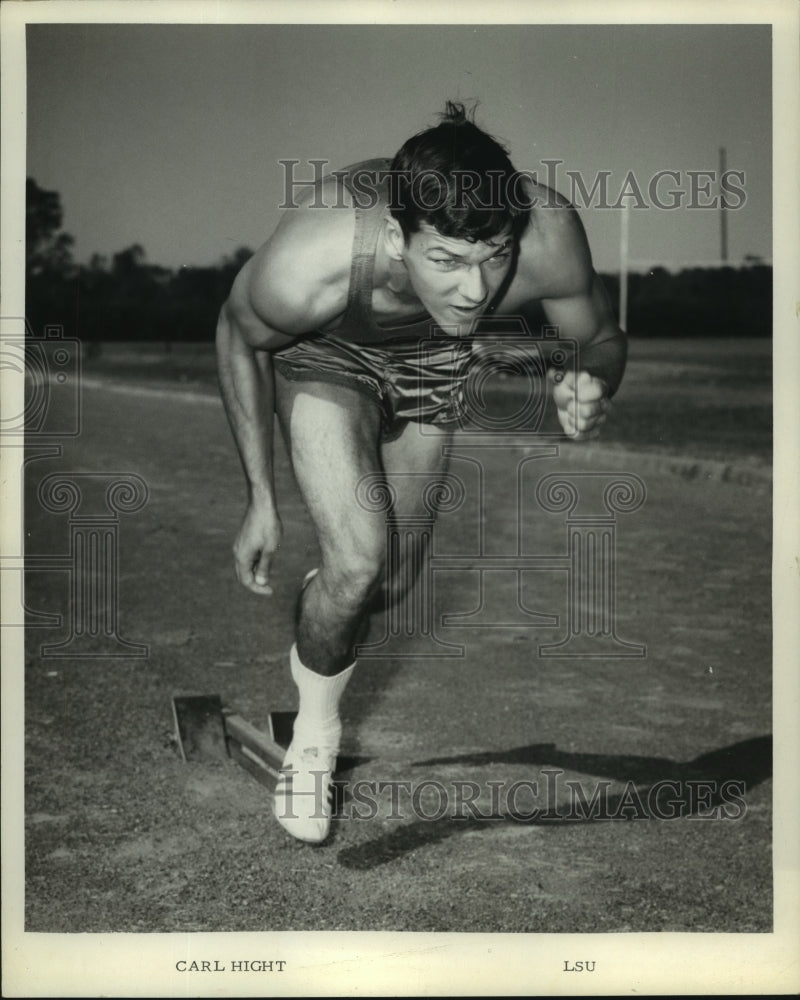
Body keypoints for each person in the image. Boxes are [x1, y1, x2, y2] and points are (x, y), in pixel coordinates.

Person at [216, 102, 626, 843]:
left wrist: (592, 383)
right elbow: (238, 337)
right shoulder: (317, 250)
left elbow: (599, 336)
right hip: (327, 357)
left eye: (493, 256)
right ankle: (314, 739)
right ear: (396, 237)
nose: (475, 290)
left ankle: (336, 595)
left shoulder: (549, 234)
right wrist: (259, 498)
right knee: (359, 562)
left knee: (390, 583)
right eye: (446, 261)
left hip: (438, 369)